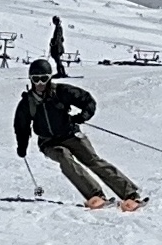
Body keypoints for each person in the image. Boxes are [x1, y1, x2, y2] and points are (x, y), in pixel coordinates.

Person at [14, 58, 143, 211]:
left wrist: (82, 117)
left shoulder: (61, 92)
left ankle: (130, 194)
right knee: (64, 157)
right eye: (36, 79)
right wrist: (22, 146)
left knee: (92, 160)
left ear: (50, 78)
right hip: (49, 142)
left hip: (70, 134)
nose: (40, 83)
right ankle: (95, 195)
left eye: (44, 78)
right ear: (30, 79)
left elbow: (87, 101)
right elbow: (21, 126)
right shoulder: (27, 103)